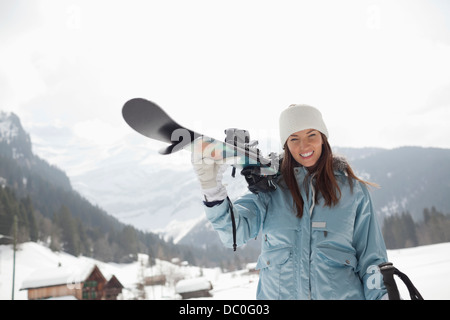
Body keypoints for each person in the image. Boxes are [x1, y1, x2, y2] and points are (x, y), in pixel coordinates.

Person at [192, 104, 389, 300]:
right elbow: (233, 233)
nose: (304, 146)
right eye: (294, 138)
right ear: (286, 145)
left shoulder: (353, 192)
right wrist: (211, 188)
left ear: (323, 138)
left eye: (311, 135)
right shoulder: (271, 190)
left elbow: (372, 262)